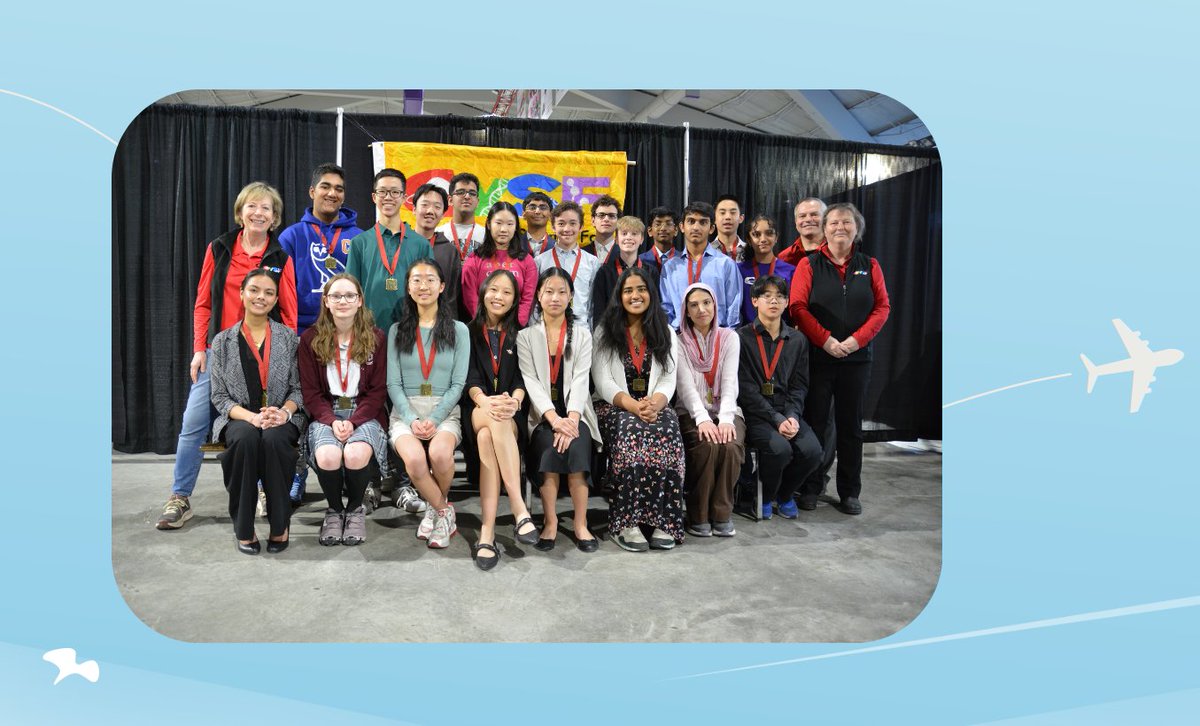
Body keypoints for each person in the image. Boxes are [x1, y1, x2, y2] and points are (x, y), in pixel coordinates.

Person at [156, 181, 298, 531]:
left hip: (264, 354)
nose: (258, 213)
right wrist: (198, 349)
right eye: (252, 206)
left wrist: (285, 358)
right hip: (218, 353)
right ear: (240, 212)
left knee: (262, 426)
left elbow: (289, 314)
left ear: (275, 217)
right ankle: (180, 497)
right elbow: (203, 304)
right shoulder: (219, 248)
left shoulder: (281, 258)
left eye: (266, 208)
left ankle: (264, 489)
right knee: (193, 424)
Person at [788, 202, 890, 515]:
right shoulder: (809, 264)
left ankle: (849, 492)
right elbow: (797, 307)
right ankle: (811, 487)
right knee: (816, 424)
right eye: (833, 223)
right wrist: (826, 340)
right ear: (825, 228)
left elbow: (882, 308)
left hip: (857, 360)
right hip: (819, 357)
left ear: (857, 228)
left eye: (846, 222)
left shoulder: (870, 265)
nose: (839, 228)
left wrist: (856, 341)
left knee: (851, 428)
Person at [208, 268, 305, 555]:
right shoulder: (222, 341)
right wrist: (251, 417)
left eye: (268, 292)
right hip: (240, 416)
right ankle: (244, 527)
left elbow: (299, 389)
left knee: (275, 440)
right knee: (245, 439)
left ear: (275, 299)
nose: (261, 297)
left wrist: (283, 413)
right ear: (241, 293)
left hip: (281, 416)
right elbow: (219, 396)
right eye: (254, 290)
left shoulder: (289, 339)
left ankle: (280, 524)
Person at [592, 267, 685, 551]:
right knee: (631, 431)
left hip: (654, 404)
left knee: (669, 431)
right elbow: (603, 381)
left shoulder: (666, 331)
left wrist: (655, 404)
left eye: (641, 289)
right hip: (615, 406)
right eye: (628, 290)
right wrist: (635, 407)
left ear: (651, 294)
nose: (635, 295)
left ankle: (664, 521)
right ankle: (626, 523)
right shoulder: (604, 331)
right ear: (619, 296)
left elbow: (669, 378)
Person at [298, 273, 389, 546]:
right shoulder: (310, 339)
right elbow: (311, 393)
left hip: (365, 411)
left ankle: (355, 509)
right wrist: (330, 419)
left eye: (350, 295)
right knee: (328, 456)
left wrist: (354, 421)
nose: (343, 301)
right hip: (327, 411)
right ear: (326, 301)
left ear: (360, 301)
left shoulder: (376, 338)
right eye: (336, 296)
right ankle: (335, 510)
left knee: (355, 453)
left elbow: (377, 392)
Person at [516, 267, 602, 553]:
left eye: (562, 292)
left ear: (571, 296)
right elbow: (531, 382)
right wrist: (554, 420)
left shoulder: (583, 335)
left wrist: (572, 420)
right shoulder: (525, 337)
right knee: (549, 448)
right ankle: (550, 521)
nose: (555, 297)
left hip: (577, 413)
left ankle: (580, 523)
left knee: (577, 447)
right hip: (543, 416)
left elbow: (581, 379)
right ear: (538, 296)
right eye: (549, 291)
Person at [387, 259, 470, 548]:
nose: (424, 286)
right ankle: (444, 512)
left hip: (444, 410)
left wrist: (434, 419)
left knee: (440, 455)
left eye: (430, 279)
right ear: (408, 288)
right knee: (413, 459)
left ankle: (434, 510)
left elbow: (458, 384)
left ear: (442, 286)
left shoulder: (459, 330)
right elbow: (393, 384)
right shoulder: (397, 330)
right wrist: (411, 419)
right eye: (417, 280)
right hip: (405, 411)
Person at [464, 270, 537, 570]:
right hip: (477, 406)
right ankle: (518, 507)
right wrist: (485, 400)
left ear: (515, 299)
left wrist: (515, 401)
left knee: (488, 436)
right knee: (491, 423)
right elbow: (468, 377)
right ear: (483, 292)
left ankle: (487, 533)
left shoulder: (522, 334)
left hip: (511, 411)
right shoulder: (468, 331)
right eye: (494, 289)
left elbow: (523, 378)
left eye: (507, 292)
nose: (499, 296)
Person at [738, 275, 823, 519]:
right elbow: (745, 389)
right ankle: (764, 495)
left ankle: (784, 494)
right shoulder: (741, 337)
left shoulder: (797, 340)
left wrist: (793, 416)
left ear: (787, 303)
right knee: (780, 449)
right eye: (767, 296)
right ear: (754, 301)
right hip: (756, 413)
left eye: (780, 296)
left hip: (787, 410)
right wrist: (776, 419)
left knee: (813, 451)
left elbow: (799, 385)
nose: (774, 301)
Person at [675, 282, 744, 537]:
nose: (701, 309)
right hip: (691, 412)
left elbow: (730, 383)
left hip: (726, 410)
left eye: (706, 303)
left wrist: (725, 419)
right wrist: (702, 418)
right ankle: (699, 515)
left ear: (715, 305)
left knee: (731, 445)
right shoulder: (678, 341)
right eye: (693, 305)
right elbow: (685, 386)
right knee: (707, 446)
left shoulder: (730, 338)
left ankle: (722, 513)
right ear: (686, 311)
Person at [278, 163, 363, 335]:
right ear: (312, 192)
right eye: (325, 187)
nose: (332, 193)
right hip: (302, 331)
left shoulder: (360, 238)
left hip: (347, 330)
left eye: (338, 189)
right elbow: (282, 291)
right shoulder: (291, 236)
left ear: (343, 196)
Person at [345, 168, 431, 333]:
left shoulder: (421, 245)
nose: (388, 197)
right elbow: (350, 291)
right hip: (367, 332)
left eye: (395, 192)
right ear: (374, 197)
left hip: (410, 331)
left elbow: (428, 291)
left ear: (404, 197)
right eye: (382, 192)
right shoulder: (359, 243)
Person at [659, 201, 741, 329]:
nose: (696, 227)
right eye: (691, 221)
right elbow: (666, 308)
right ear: (681, 227)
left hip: (717, 335)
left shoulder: (725, 264)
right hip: (680, 335)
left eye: (703, 222)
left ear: (711, 228)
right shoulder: (670, 267)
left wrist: (726, 336)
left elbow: (733, 307)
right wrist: (673, 336)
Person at [460, 201, 538, 325]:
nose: (503, 229)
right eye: (498, 223)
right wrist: (486, 325)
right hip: (481, 327)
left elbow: (527, 299)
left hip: (515, 329)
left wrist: (515, 325)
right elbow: (470, 298)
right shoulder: (474, 259)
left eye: (510, 224)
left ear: (516, 227)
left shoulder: (527, 261)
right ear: (489, 224)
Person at [534, 201, 602, 323]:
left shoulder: (592, 262)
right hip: (547, 328)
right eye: (561, 223)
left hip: (580, 328)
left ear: (581, 227)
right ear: (553, 227)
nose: (567, 229)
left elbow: (593, 305)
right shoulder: (540, 261)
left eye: (572, 223)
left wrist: (590, 332)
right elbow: (534, 303)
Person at [591, 215, 659, 329]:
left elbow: (655, 307)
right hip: (613, 332)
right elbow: (599, 311)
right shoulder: (605, 272)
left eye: (634, 234)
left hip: (644, 330)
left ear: (642, 239)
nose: (629, 238)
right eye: (624, 233)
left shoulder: (651, 272)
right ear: (616, 240)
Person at [410, 183, 464, 320]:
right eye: (425, 205)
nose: (430, 211)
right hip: (405, 321)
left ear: (443, 214)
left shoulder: (449, 251)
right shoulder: (401, 245)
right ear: (414, 209)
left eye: (437, 207)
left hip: (439, 323)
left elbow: (452, 297)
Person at [737, 214, 796, 324]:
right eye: (756, 234)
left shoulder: (790, 271)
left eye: (769, 233)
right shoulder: (739, 270)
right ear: (749, 240)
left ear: (776, 237)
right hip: (747, 331)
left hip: (780, 331)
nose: (763, 239)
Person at [436, 172, 486, 261]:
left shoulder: (487, 236)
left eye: (472, 193)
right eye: (461, 192)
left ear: (477, 202)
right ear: (450, 200)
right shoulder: (437, 233)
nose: (467, 196)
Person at [777, 197, 827, 264]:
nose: (808, 219)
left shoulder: (838, 251)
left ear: (826, 219)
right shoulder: (784, 258)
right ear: (796, 222)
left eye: (814, 214)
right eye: (802, 216)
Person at [637, 206, 680, 272]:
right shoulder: (640, 261)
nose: (663, 228)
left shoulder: (683, 260)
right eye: (658, 224)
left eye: (668, 224)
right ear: (650, 231)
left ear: (676, 230)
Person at [584, 194, 621, 263]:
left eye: (611, 216)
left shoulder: (625, 254)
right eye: (601, 215)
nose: (606, 219)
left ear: (618, 222)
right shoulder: (581, 254)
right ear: (593, 221)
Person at [713, 194, 747, 260]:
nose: (728, 217)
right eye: (722, 213)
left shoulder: (750, 251)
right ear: (714, 218)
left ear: (741, 218)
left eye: (733, 212)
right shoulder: (706, 251)